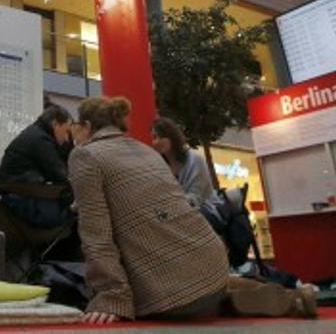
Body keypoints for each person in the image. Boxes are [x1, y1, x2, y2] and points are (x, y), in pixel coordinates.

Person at [68, 96, 316, 324]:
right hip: (212, 259)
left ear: (87, 125)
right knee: (205, 288)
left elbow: (95, 233)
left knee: (182, 298)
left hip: (170, 290)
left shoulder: (85, 155)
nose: (74, 133)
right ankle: (291, 297)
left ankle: (286, 298)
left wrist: (111, 296)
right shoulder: (147, 152)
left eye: (76, 126)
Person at [0, 104, 73, 226]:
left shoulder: (36, 134)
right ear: (55, 124)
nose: (67, 137)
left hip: (14, 194)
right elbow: (60, 175)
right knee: (76, 215)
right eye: (66, 130)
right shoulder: (41, 141)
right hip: (21, 199)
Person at [150, 117, 215, 208]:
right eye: (154, 138)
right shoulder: (159, 166)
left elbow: (196, 198)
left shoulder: (195, 160)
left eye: (159, 137)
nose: (156, 142)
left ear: (171, 137)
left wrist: (168, 202)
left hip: (204, 215)